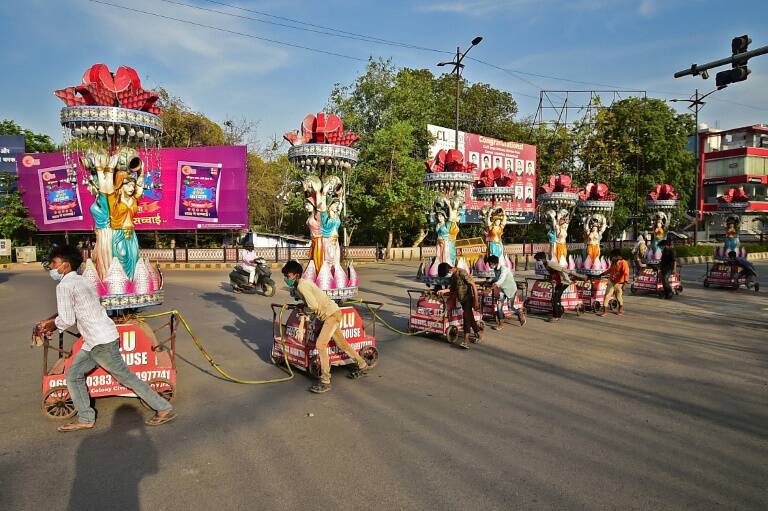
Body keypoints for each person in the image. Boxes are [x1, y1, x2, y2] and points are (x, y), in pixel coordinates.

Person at [36, 244, 176, 432]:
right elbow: (70, 311)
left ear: (66, 265)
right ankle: (86, 418)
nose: (52, 267)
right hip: (96, 339)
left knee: (126, 378)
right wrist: (50, 321)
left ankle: (164, 408)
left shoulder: (65, 286)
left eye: (54, 263)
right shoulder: (83, 280)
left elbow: (67, 318)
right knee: (73, 374)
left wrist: (51, 325)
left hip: (100, 342)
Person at [281, 260, 370, 393]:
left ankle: (325, 380)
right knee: (343, 344)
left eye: (288, 276)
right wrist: (302, 307)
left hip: (331, 316)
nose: (286, 279)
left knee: (320, 345)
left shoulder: (302, 286)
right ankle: (362, 364)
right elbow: (312, 303)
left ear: (295, 275)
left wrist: (304, 309)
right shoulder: (303, 283)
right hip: (332, 314)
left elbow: (313, 306)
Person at [437, 262, 482, 349]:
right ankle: (479, 334)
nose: (447, 275)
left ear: (449, 269)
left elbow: (473, 285)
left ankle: (465, 341)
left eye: (446, 273)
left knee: (466, 317)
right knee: (470, 317)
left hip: (468, 298)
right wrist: (444, 291)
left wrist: (476, 301)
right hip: (461, 299)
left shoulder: (462, 272)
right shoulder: (453, 276)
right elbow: (452, 289)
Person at [534, 252, 581, 322]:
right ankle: (558, 315)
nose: (537, 262)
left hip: (564, 282)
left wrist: (575, 274)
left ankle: (555, 316)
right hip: (559, 282)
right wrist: (551, 279)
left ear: (542, 259)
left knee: (555, 299)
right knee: (556, 298)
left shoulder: (550, 263)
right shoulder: (545, 264)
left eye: (538, 260)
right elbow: (552, 273)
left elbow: (562, 269)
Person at [486, 255, 525, 330]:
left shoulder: (504, 269)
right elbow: (494, 278)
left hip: (510, 289)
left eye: (490, 263)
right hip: (502, 290)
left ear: (494, 263)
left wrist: (491, 288)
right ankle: (501, 324)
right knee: (499, 307)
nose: (490, 265)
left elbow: (501, 279)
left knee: (510, 308)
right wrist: (487, 281)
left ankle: (519, 311)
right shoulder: (495, 270)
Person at [597, 249, 630, 316]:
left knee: (618, 297)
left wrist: (625, 283)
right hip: (612, 282)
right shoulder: (614, 262)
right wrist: (602, 274)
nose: (611, 257)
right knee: (607, 295)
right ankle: (604, 312)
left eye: (613, 256)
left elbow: (626, 273)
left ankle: (620, 308)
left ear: (618, 256)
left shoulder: (623, 263)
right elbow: (610, 270)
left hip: (619, 284)